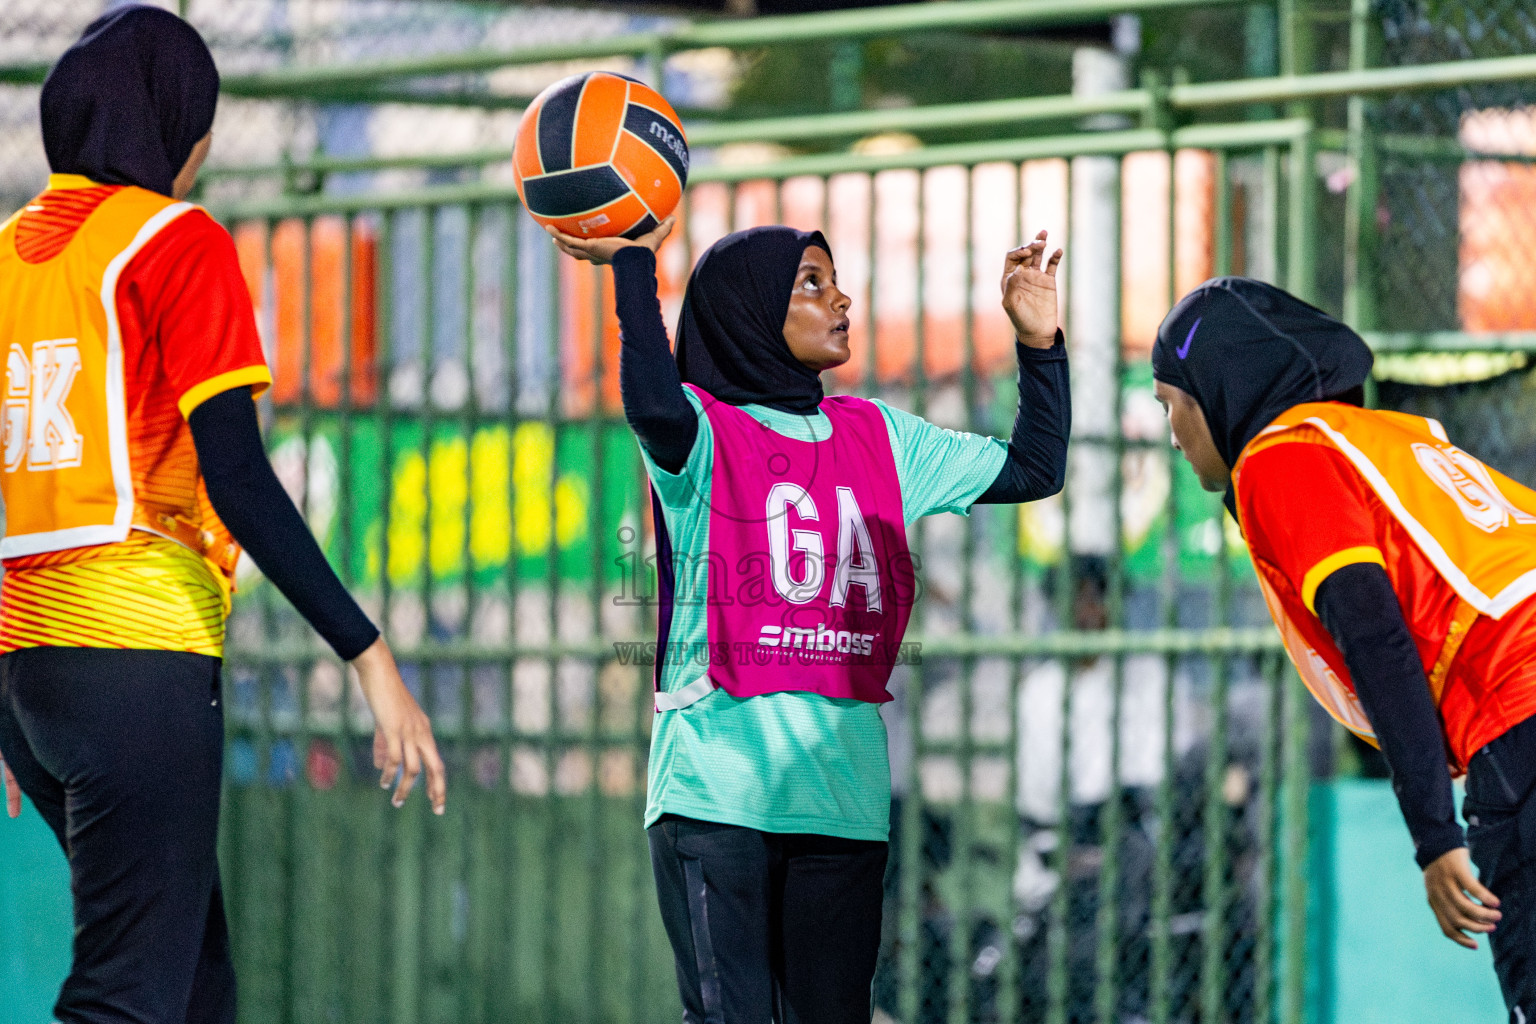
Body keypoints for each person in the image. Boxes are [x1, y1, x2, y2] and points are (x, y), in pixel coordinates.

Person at [0, 8, 446, 1024]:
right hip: (137, 657)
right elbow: (238, 477)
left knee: (195, 981)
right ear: (174, 126)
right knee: (127, 997)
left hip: (30, 672)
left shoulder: (8, 253)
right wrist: (371, 657)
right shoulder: (176, 240)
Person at [547, 213, 1070, 1023]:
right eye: (813, 284)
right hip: (717, 798)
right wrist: (631, 266)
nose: (842, 299)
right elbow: (650, 397)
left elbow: (1035, 467)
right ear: (750, 312)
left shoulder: (881, 435)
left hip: (845, 804)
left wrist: (1041, 344)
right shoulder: (701, 435)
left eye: (835, 280)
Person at [1152, 276, 1536, 1018]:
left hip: (1517, 708)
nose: (1173, 433)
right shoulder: (1393, 438)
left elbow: (1372, 630)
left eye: (1171, 404)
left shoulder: (1279, 457)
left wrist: (1434, 835)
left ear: (1217, 393)